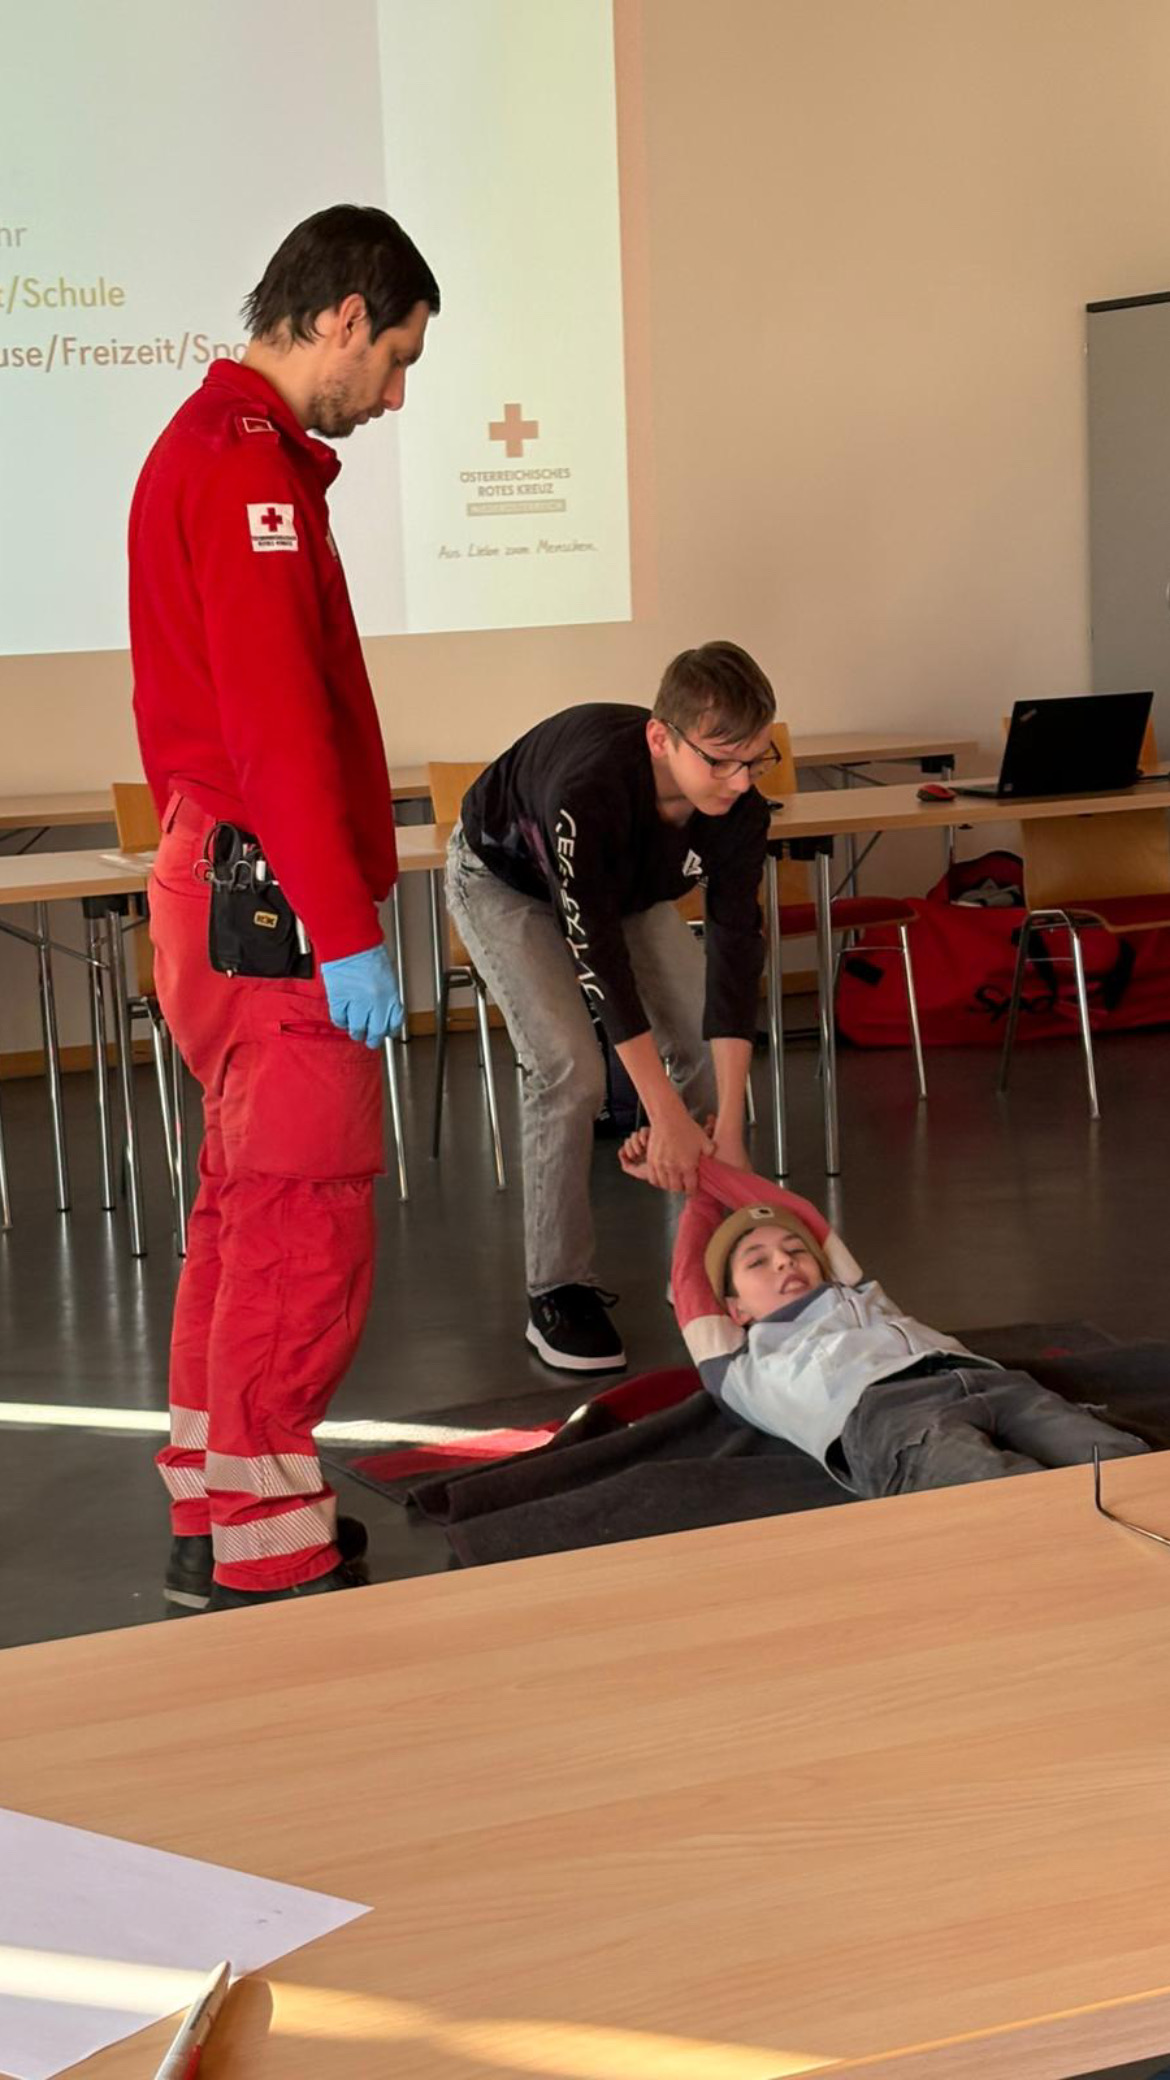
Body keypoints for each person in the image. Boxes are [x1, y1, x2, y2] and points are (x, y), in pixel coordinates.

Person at [129, 204, 440, 1611]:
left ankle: (218, 1509)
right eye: (396, 358)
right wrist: (347, 926)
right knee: (301, 1218)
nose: (393, 395)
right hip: (273, 901)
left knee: (243, 1208)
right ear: (344, 314)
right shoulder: (247, 464)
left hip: (218, 882)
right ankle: (268, 1553)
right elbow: (275, 728)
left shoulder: (200, 447)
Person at [447, 644, 779, 1375]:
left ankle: (703, 1256)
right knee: (570, 1069)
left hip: (626, 887)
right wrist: (663, 1115)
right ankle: (558, 1289)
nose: (740, 780)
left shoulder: (740, 806)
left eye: (756, 760)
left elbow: (734, 956)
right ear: (662, 739)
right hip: (506, 881)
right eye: (721, 761)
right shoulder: (589, 788)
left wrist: (727, 1130)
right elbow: (598, 959)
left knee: (701, 1042)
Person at [619, 1136, 1148, 1493]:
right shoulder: (738, 1364)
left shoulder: (853, 1290)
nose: (783, 1260)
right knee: (1007, 1497)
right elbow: (689, 1277)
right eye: (758, 1262)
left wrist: (701, 1162)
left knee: (1127, 1466)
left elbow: (799, 1212)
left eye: (795, 1250)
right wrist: (690, 1178)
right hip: (892, 1416)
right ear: (734, 1309)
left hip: (989, 1382)